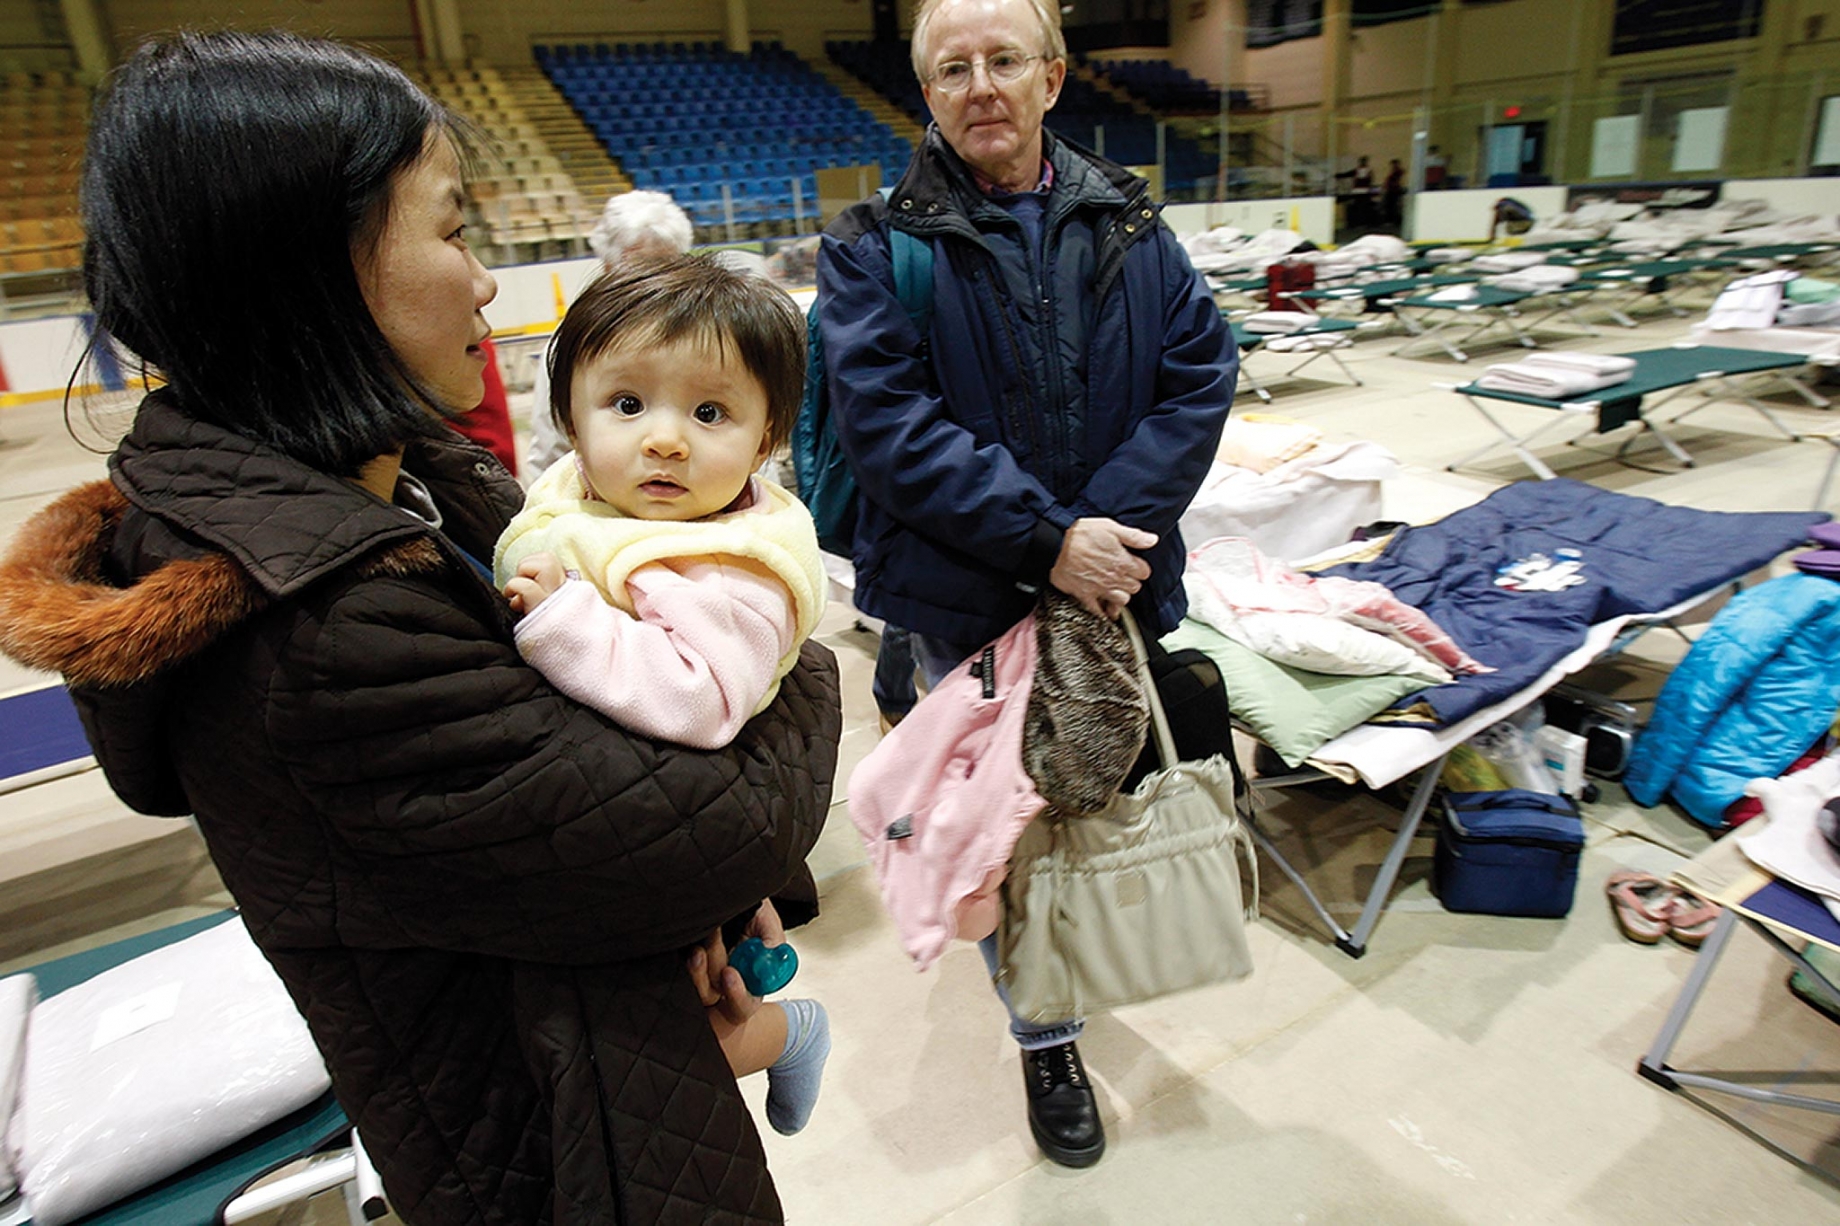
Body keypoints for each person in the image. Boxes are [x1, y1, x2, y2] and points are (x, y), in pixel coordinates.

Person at [0, 30, 838, 1225]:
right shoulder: (317, 621)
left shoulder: (403, 467)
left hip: (603, 1047)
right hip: (543, 1131)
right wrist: (798, 664)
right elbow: (696, 834)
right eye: (452, 231)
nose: (486, 280)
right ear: (308, 266)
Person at [815, 0, 1234, 1169]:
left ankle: (1114, 956)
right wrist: (1051, 539)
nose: (981, 83)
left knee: (1106, 796)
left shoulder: (1134, 228)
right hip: (973, 607)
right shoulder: (870, 248)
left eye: (1004, 59)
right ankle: (1046, 1033)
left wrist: (1108, 537)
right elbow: (891, 428)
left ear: (1052, 76)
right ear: (927, 93)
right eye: (955, 67)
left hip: (1113, 585)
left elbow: (1198, 376)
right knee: (1010, 835)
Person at [493, 254, 832, 1135]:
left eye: (710, 413)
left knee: (668, 1048)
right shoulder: (591, 506)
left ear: (764, 443)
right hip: (618, 816)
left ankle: (792, 1034)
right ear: (570, 417)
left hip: (683, 832)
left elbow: (702, 699)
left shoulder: (734, 567)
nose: (666, 439)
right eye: (628, 404)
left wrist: (568, 617)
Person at [525, 189, 695, 473]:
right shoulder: (572, 344)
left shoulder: (711, 334)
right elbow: (550, 454)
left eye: (667, 265)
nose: (654, 281)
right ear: (607, 267)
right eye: (639, 267)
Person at [1382, 157, 1405, 227]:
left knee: (1392, 206)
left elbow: (1400, 173)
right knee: (1390, 205)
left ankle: (1392, 221)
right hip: (1391, 189)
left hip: (1393, 190)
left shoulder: (1397, 172)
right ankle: (1390, 220)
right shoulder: (1394, 172)